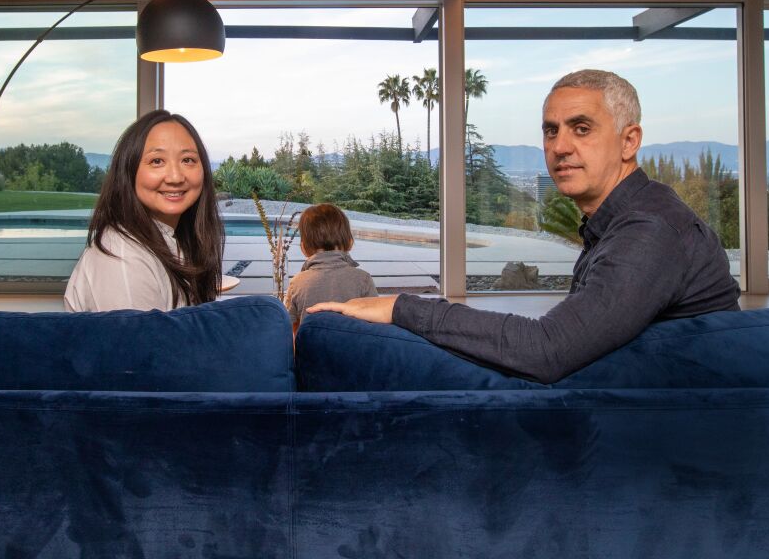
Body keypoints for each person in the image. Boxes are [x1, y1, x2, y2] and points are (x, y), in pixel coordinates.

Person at [308, 69, 741, 384]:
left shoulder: (650, 231)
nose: (560, 147)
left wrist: (402, 306)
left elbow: (547, 349)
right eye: (551, 131)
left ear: (629, 141)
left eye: (581, 128)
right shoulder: (622, 221)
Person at [64, 110, 223, 313]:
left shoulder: (173, 239)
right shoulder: (122, 257)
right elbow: (141, 344)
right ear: (128, 171)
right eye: (157, 161)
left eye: (188, 160)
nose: (175, 177)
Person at [285, 203, 378, 327]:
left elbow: (290, 327)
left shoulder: (297, 283)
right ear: (350, 242)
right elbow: (376, 324)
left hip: (310, 346)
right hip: (354, 346)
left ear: (303, 247)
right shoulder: (363, 279)